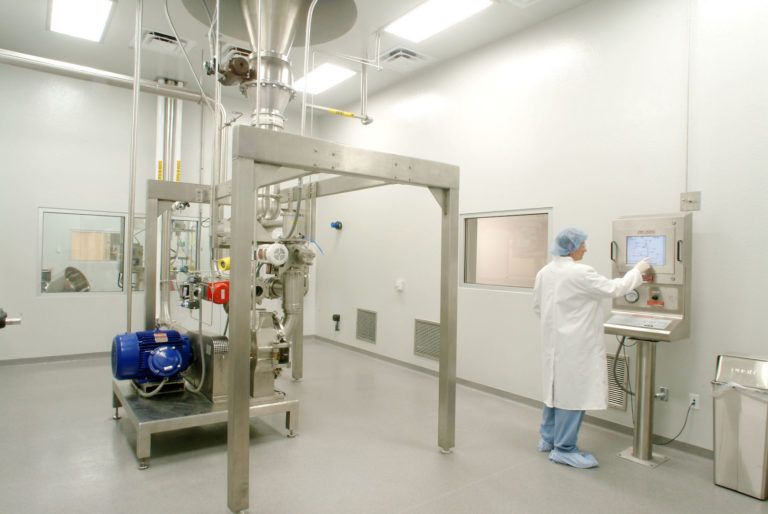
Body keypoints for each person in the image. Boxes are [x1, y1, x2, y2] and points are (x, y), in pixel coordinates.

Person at [532, 227, 650, 468]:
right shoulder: (581, 273)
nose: (586, 248)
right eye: (583, 245)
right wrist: (637, 272)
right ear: (572, 249)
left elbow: (538, 307)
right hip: (577, 346)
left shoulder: (545, 272)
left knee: (554, 392)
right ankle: (564, 449)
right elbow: (615, 289)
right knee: (573, 396)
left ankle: (548, 438)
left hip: (555, 345)